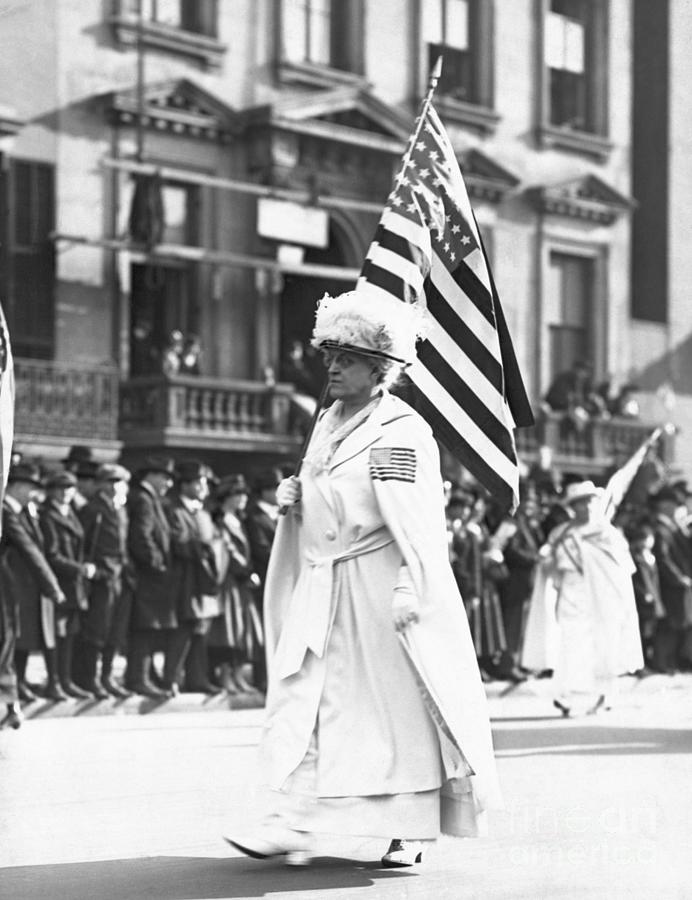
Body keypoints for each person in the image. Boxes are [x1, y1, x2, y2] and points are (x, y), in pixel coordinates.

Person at [225, 289, 501, 867]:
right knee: (303, 699)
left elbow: (417, 520)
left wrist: (410, 584)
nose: (331, 366)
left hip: (377, 595)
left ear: (380, 370)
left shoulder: (401, 430)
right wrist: (299, 501)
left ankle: (409, 832)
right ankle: (288, 819)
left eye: (345, 358)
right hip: (323, 591)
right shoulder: (326, 423)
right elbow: (332, 500)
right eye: (329, 354)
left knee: (392, 714)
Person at [521, 481, 643, 716]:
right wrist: (548, 561)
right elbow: (550, 558)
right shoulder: (560, 532)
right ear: (571, 507)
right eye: (578, 504)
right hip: (570, 593)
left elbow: (623, 566)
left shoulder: (607, 533)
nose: (584, 508)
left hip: (602, 597)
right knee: (571, 643)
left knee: (602, 644)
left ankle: (604, 694)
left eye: (588, 502)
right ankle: (565, 695)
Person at [1, 464, 67, 727]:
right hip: (5, 586)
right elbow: (29, 550)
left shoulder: (21, 512)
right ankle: (10, 704)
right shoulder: (6, 513)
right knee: (5, 640)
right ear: (16, 486)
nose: (33, 494)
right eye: (30, 488)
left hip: (11, 587)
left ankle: (11, 703)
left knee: (6, 641)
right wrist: (53, 586)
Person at [163, 460, 222, 695]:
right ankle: (171, 679)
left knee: (200, 630)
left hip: (204, 581)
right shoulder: (173, 510)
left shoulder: (204, 514)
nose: (203, 487)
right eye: (199, 482)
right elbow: (178, 543)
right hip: (183, 580)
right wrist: (203, 549)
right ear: (185, 485)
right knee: (182, 631)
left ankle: (197, 678)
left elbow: (214, 541)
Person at [40, 471, 98, 699]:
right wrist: (79, 568)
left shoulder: (71, 514)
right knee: (56, 634)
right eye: (61, 488)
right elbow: (51, 554)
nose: (66, 493)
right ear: (52, 491)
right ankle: (54, 681)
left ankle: (66, 680)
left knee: (69, 634)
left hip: (74, 584)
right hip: (59, 582)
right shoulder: (48, 516)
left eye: (70, 489)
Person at [75, 464, 131, 699]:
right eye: (115, 482)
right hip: (101, 578)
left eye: (121, 482)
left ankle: (107, 676)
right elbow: (82, 543)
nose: (120, 487)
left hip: (119, 576)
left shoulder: (120, 510)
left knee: (114, 630)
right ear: (105, 485)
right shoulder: (94, 510)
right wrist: (93, 570)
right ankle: (90, 679)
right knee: (96, 630)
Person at [126, 456, 175, 699]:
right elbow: (141, 537)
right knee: (144, 628)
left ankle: (144, 675)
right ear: (151, 476)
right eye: (164, 477)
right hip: (146, 575)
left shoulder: (149, 498)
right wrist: (157, 564)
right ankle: (138, 677)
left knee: (148, 628)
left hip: (148, 575)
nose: (168, 483)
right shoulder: (144, 499)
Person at [208, 474, 262, 693]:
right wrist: (245, 572)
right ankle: (226, 677)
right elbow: (227, 548)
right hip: (229, 581)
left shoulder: (239, 519)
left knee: (243, 631)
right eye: (237, 494)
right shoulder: (219, 520)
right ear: (227, 496)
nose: (243, 498)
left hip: (240, 583)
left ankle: (239, 676)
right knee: (228, 631)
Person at [649, 486, 692, 673]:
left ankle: (669, 661)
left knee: (676, 624)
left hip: (676, 585)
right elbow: (663, 558)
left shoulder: (671, 528)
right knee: (668, 625)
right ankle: (661, 662)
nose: (677, 509)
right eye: (675, 505)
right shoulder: (660, 529)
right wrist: (678, 578)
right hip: (668, 586)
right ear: (665, 505)